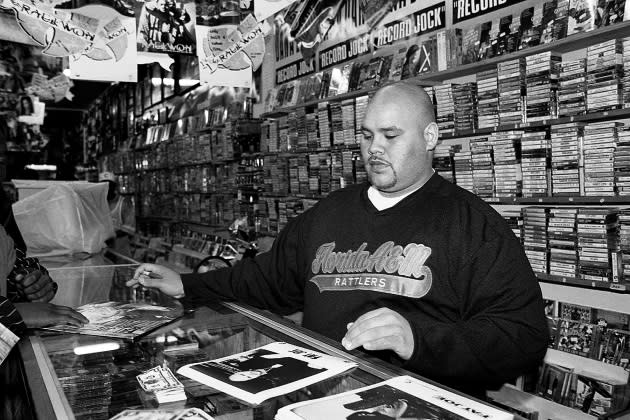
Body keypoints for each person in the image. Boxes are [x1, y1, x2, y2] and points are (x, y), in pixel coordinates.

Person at [129, 82, 549, 396]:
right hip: (322, 400)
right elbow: (265, 280)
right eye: (367, 136)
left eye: (391, 135)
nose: (374, 149)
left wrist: (418, 340)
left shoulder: (471, 224)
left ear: (430, 137)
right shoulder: (328, 214)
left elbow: (523, 338)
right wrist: (186, 284)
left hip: (421, 403)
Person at [99, 171, 135, 255]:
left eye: (109, 186)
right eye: (103, 186)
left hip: (120, 251)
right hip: (102, 252)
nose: (106, 188)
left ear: (114, 187)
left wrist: (109, 236)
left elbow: (129, 228)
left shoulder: (124, 203)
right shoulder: (97, 203)